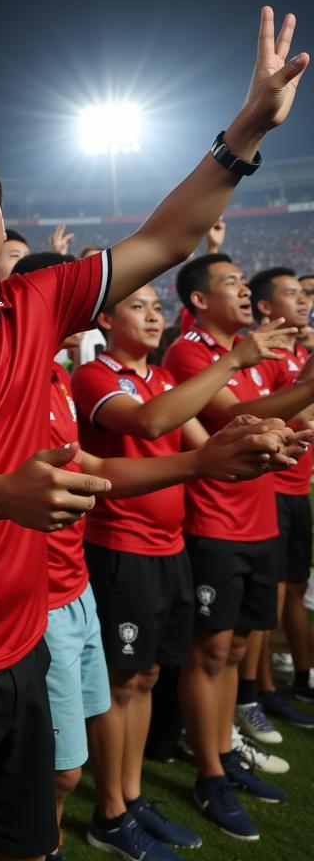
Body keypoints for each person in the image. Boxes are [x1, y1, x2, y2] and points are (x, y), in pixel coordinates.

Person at [0, 5, 310, 860]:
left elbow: (166, 236)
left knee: (31, 842)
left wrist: (245, 130)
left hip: (22, 641)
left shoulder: (34, 303)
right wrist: (2, 497)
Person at [71, 282, 298, 859]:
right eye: (136, 306)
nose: (152, 316)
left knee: (145, 679)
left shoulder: (166, 379)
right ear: (105, 317)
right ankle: (111, 813)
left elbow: (209, 449)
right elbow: (149, 424)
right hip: (122, 546)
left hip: (169, 547)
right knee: (123, 682)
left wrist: (261, 444)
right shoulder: (95, 375)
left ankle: (133, 795)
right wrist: (234, 362)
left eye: (155, 307)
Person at [165, 251, 314, 840]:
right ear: (200, 299)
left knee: (232, 652)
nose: (243, 290)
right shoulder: (192, 354)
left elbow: (289, 410)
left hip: (260, 518)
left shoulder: (257, 351)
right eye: (230, 282)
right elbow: (242, 418)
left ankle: (224, 751)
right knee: (210, 650)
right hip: (215, 524)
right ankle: (209, 775)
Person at [249, 268, 314, 705]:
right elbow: (261, 417)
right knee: (268, 593)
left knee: (292, 585)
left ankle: (300, 675)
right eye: (294, 294)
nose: (305, 301)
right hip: (269, 489)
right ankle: (259, 686)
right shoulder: (264, 357)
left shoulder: (296, 355)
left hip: (296, 488)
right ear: (267, 308)